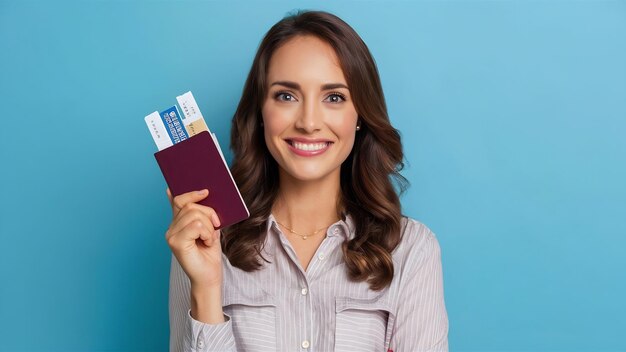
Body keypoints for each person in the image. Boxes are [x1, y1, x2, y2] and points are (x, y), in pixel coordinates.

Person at [166, 10, 448, 352]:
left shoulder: (411, 250)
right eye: (286, 95)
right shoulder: (204, 243)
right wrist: (208, 288)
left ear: (360, 116)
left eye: (334, 97)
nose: (309, 122)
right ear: (260, 113)